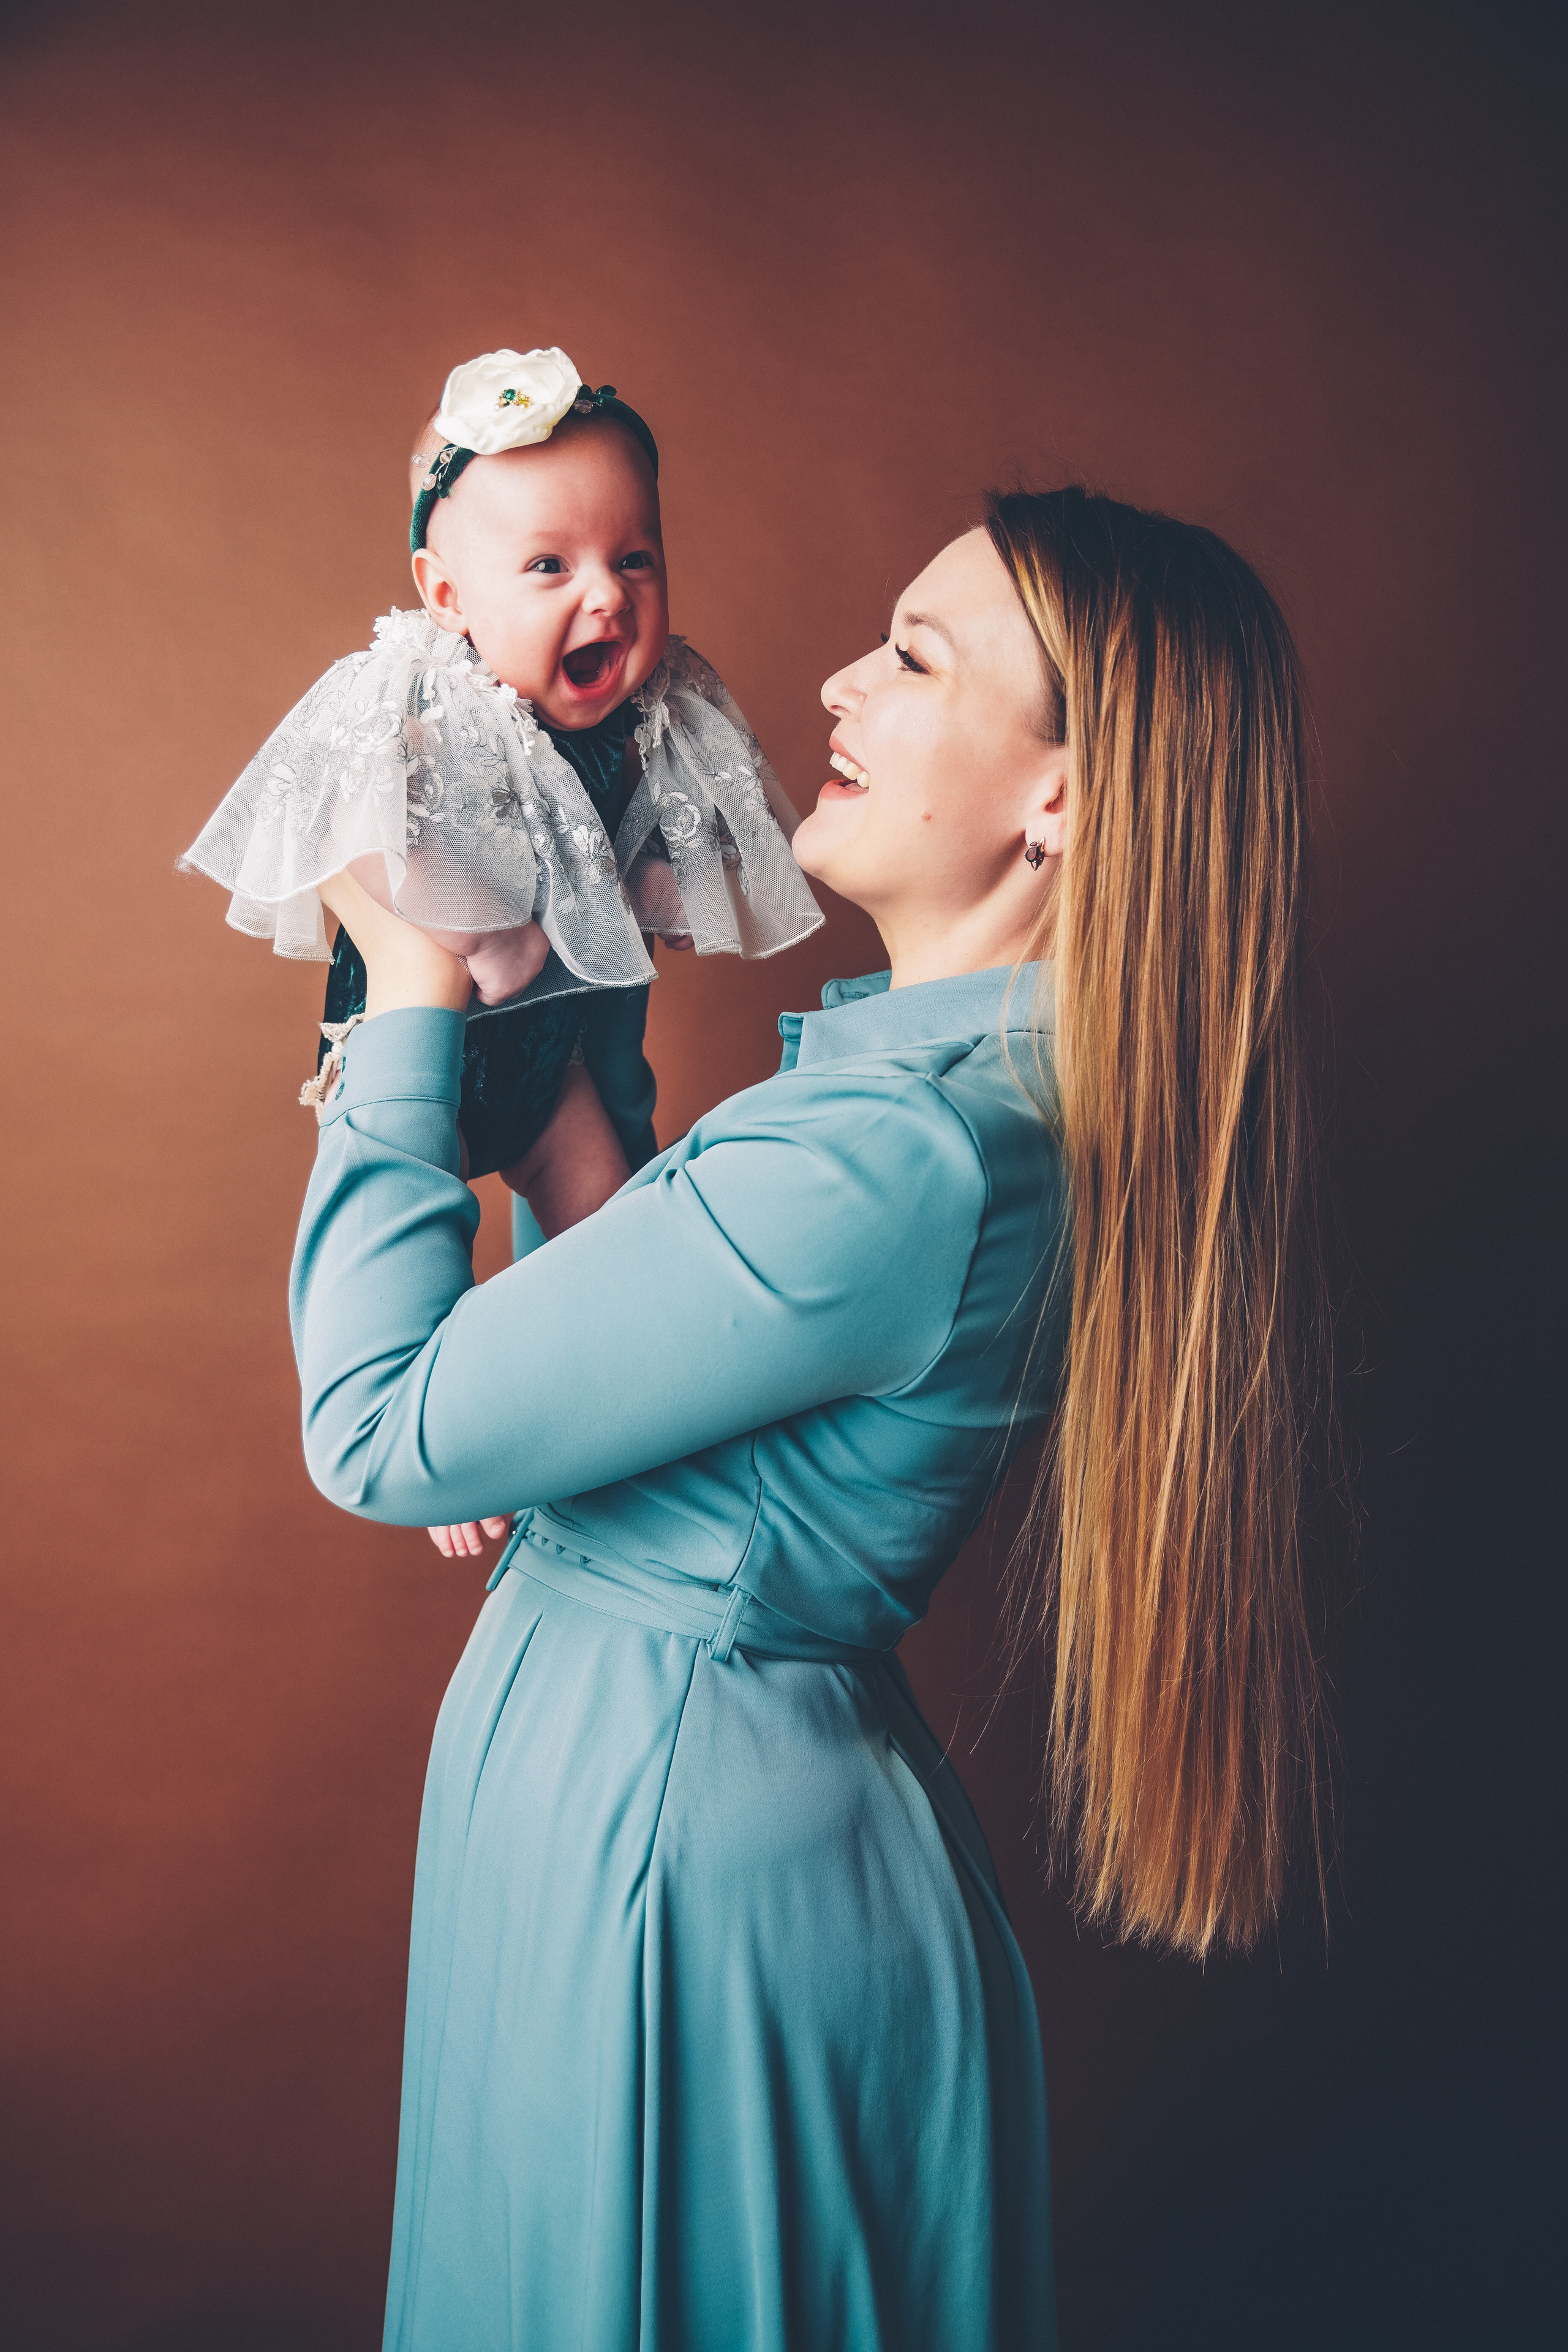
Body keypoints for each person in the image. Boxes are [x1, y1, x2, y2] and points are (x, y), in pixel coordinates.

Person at [291, 486, 1325, 2350]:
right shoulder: (936, 1113)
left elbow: (382, 1422)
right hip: (674, 1825)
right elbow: (660, 1340)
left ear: (1062, 799)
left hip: (687, 1890)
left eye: (916, 658)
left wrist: (413, 971)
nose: (840, 681)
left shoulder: (897, 1151)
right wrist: (559, 1082)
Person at [178, 341, 822, 1227]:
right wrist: (481, 935)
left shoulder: (643, 709)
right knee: (404, 1234)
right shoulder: (429, 702)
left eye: (635, 558)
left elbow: (612, 840)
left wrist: (666, 889)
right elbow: (353, 834)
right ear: (448, 597)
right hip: (422, 1065)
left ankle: (584, 1353)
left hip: (547, 1075)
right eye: (550, 566)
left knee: (612, 1225)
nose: (607, 597)